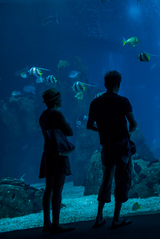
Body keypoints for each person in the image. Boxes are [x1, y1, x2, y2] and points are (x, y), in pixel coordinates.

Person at [87, 70, 137, 229]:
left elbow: (89, 125)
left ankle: (99, 217)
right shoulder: (123, 101)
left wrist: (102, 131)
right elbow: (133, 124)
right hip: (122, 145)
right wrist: (126, 134)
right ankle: (116, 218)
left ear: (105, 84)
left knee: (106, 179)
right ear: (118, 84)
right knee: (121, 179)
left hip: (106, 145)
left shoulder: (96, 102)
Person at [39, 88, 75, 234]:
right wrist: (67, 124)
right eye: (59, 98)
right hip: (59, 155)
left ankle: (46, 223)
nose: (61, 100)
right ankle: (56, 225)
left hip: (47, 154)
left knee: (48, 189)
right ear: (55, 100)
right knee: (58, 189)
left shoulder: (43, 115)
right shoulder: (57, 113)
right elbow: (69, 132)